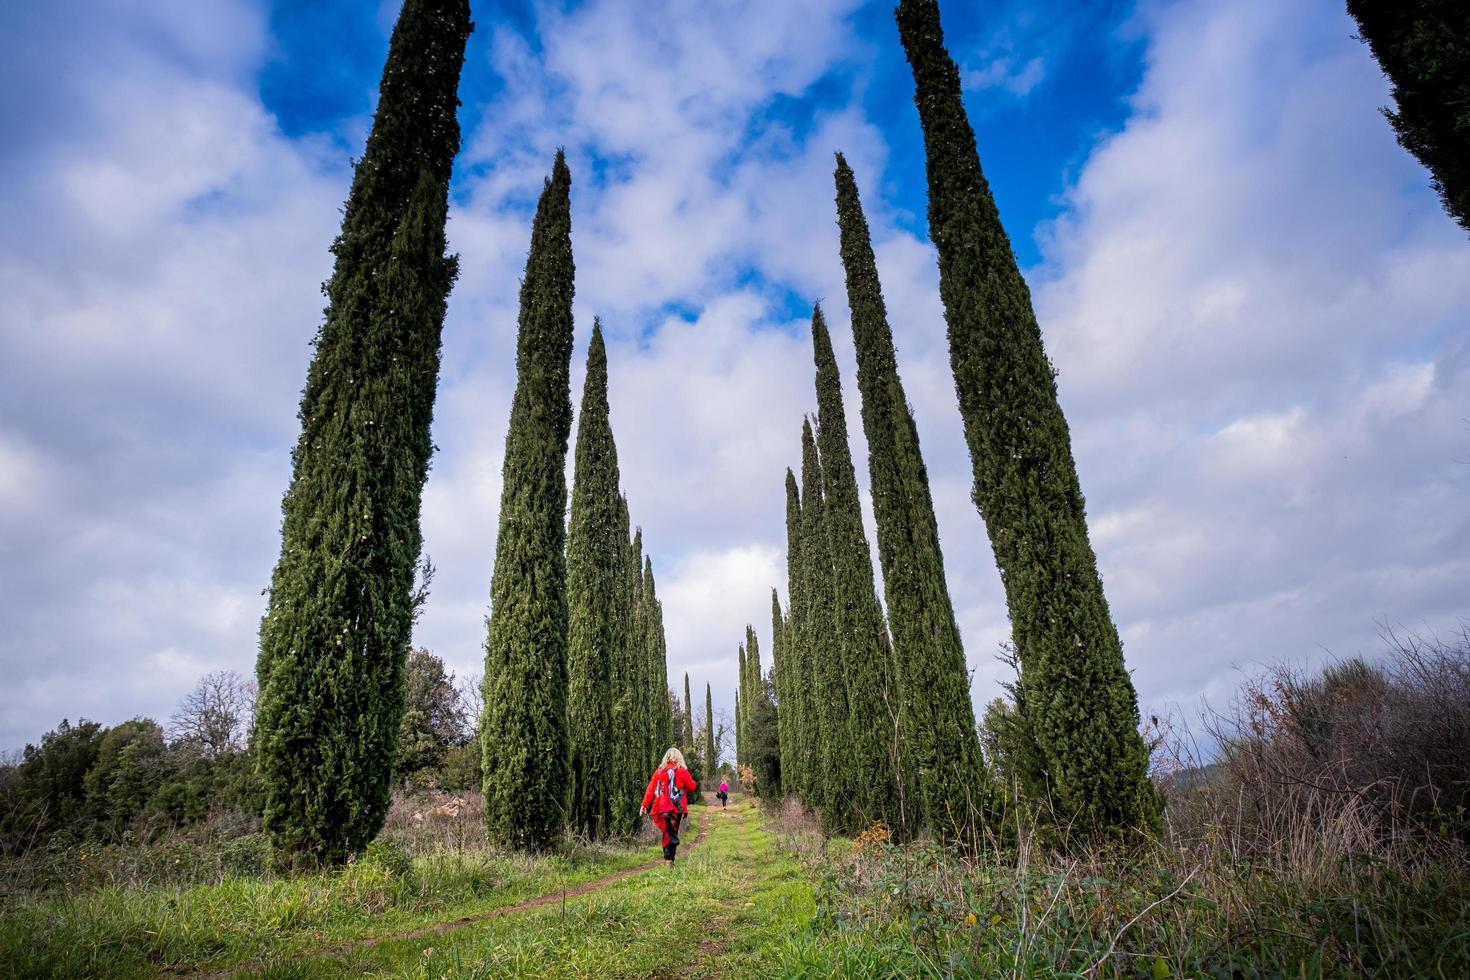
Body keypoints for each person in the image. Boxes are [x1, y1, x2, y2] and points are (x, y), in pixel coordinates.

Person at [640, 747, 698, 865]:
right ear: (679, 758)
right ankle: (669, 860)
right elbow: (692, 787)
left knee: (667, 832)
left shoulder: (659, 771)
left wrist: (644, 805)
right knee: (673, 832)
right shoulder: (682, 771)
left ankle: (668, 859)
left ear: (666, 758)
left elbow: (651, 789)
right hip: (677, 807)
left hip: (662, 807)